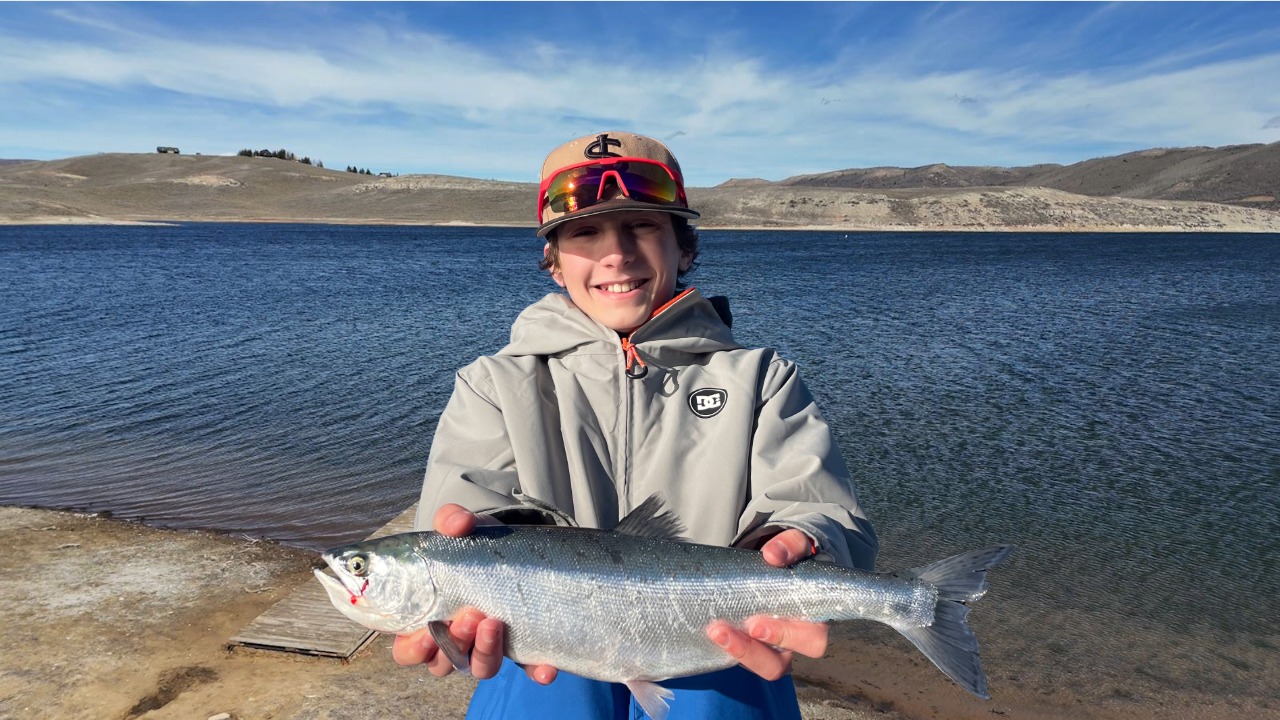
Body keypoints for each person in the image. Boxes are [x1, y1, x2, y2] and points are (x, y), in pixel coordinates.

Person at [392, 131, 878, 719]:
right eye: (585, 232)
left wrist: (807, 543)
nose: (615, 253)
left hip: (725, 655)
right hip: (545, 661)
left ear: (685, 248)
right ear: (552, 260)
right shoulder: (492, 384)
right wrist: (476, 560)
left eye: (643, 226)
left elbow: (824, 511)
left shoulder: (763, 378)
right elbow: (462, 514)